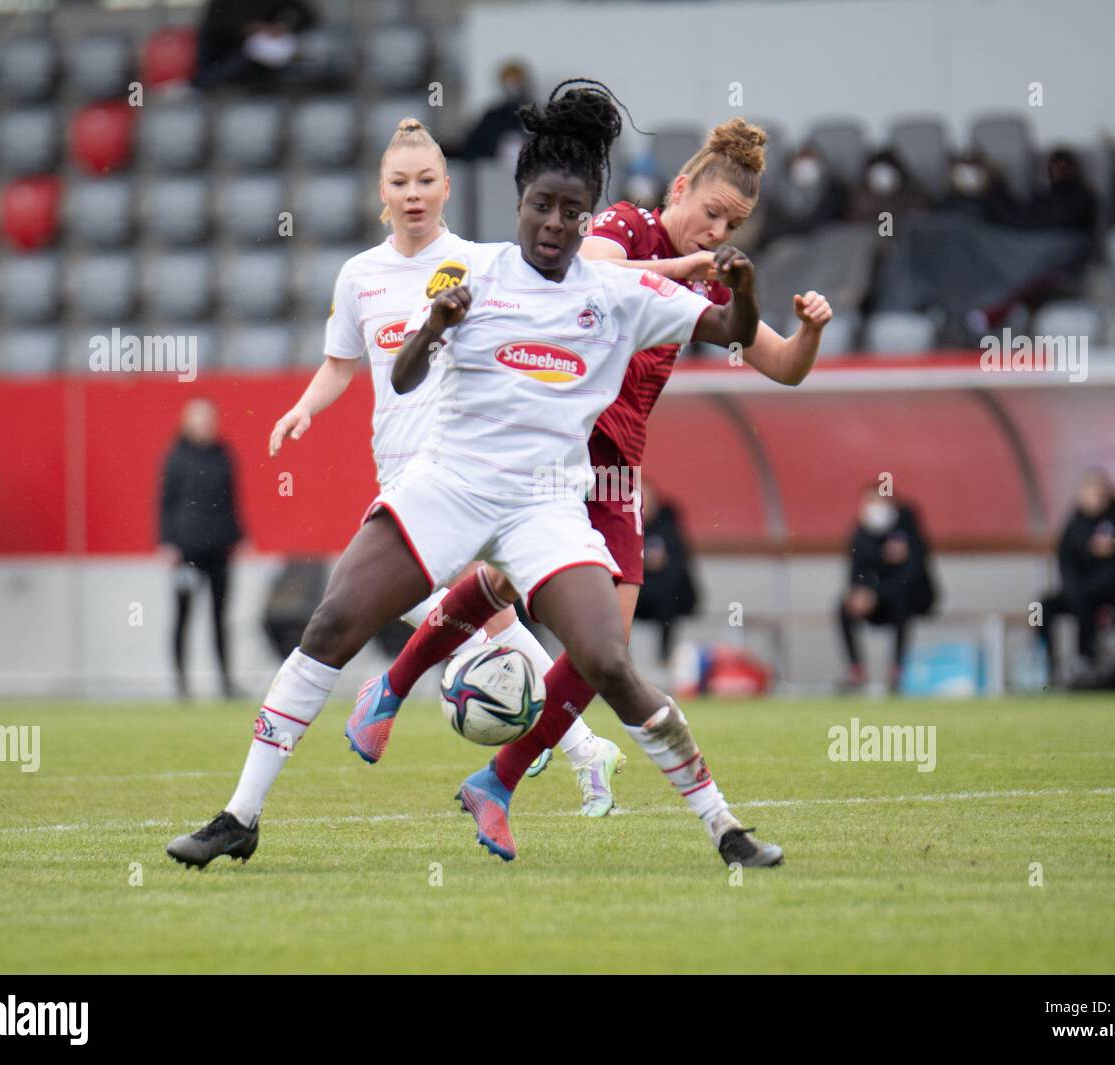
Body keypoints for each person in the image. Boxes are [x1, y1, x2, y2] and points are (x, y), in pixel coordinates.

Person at [168, 82, 782, 870]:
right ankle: (239, 814)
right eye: (542, 207)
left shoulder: (619, 290)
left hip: (546, 504)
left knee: (608, 659)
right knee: (330, 624)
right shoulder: (473, 272)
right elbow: (404, 377)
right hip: (451, 484)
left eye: (571, 211)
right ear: (519, 202)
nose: (555, 224)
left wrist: (739, 282)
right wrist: (434, 323)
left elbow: (733, 327)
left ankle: (726, 828)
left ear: (589, 217)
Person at [358, 113, 831, 830]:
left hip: (620, 464)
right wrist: (680, 274)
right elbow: (591, 274)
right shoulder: (627, 226)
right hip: (563, 442)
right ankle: (391, 689)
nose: (715, 232)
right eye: (711, 213)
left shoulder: (706, 281)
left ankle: (495, 777)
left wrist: (812, 330)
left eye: (731, 224)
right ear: (680, 188)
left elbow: (784, 368)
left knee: (598, 640)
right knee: (547, 602)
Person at [167, 116, 614, 865]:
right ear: (381, 193)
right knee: (473, 627)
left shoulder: (484, 263)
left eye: (426, 180)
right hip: (405, 487)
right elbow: (341, 363)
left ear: (446, 188)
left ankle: (244, 809)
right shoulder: (360, 277)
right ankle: (581, 746)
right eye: (400, 182)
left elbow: (590, 285)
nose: (414, 194)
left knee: (402, 624)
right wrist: (306, 406)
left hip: (468, 479)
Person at [159, 398, 244, 700]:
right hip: (187, 550)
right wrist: (168, 543)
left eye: (210, 419)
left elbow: (232, 500)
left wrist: (239, 536)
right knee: (183, 616)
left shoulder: (223, 454)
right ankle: (181, 683)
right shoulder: (176, 458)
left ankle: (226, 682)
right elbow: (166, 503)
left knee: (221, 617)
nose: (207, 425)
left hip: (219, 547)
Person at [1036, 469, 1115, 684]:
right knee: (1041, 607)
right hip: (1077, 592)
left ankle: (1086, 663)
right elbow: (1065, 562)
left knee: (1085, 605)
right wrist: (1073, 589)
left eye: (1098, 493)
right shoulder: (1073, 527)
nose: (1093, 498)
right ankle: (1049, 660)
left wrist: (1087, 589)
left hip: (1111, 596)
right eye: (1088, 492)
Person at [837, 484, 936, 693]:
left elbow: (912, 577)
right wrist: (860, 593)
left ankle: (897, 671)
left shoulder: (909, 531)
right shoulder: (861, 534)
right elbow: (856, 571)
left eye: (878, 502)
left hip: (912, 600)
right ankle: (857, 671)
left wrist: (876, 594)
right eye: (869, 503)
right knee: (843, 607)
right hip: (877, 604)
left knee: (902, 604)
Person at [633, 479, 699, 671]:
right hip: (640, 596)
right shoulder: (625, 528)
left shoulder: (669, 528)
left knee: (669, 598)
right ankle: (617, 661)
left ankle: (666, 658)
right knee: (616, 604)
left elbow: (679, 568)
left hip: (670, 599)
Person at [191, 0, 316, 91]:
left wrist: (283, 26)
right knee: (214, 75)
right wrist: (246, 27)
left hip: (264, 52)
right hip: (225, 50)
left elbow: (306, 16)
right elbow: (217, 20)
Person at [454, 60, 533, 163]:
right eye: (509, 82)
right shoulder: (493, 117)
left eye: (516, 82)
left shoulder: (535, 116)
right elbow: (473, 145)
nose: (513, 87)